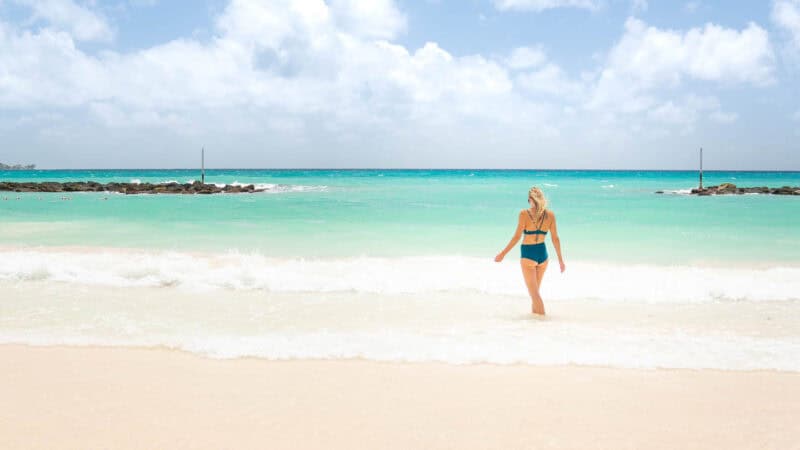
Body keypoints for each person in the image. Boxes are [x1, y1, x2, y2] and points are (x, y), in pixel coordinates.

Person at [495, 187, 565, 315]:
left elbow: (516, 237)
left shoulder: (524, 214)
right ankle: (535, 325)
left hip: (528, 255)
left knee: (534, 295)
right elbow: (555, 238)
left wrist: (503, 254)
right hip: (543, 255)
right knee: (535, 294)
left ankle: (544, 323)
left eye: (529, 199)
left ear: (531, 199)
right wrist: (560, 260)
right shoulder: (550, 215)